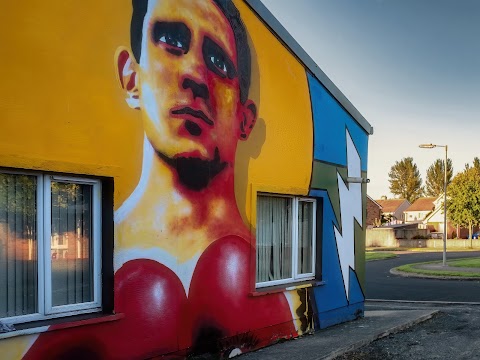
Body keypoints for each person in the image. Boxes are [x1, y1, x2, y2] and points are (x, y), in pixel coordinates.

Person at [23, 1, 296, 358]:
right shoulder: (99, 261)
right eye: (170, 39)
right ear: (132, 77)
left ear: (245, 120)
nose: (195, 75)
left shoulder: (264, 276)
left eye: (218, 62)